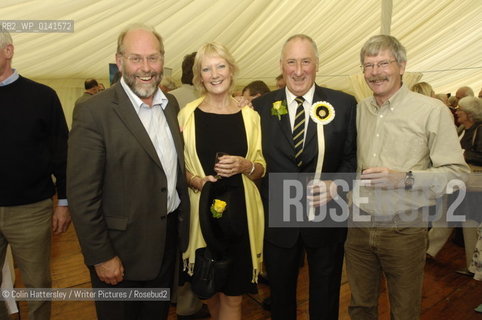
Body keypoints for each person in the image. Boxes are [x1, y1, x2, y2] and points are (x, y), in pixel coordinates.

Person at [67, 23, 189, 320]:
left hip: (165, 243)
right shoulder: (95, 111)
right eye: (136, 58)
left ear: (163, 60)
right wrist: (102, 256)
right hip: (120, 251)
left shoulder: (169, 104)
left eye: (153, 58)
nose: (146, 68)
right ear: (119, 61)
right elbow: (82, 196)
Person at [347, 34, 469, 320]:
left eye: (383, 63)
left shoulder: (431, 110)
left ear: (402, 65)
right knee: (360, 308)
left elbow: (457, 175)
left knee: (404, 311)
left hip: (404, 229)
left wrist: (405, 178)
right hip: (358, 226)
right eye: (368, 65)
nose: (375, 72)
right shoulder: (358, 110)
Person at [252, 34, 357, 320]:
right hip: (279, 215)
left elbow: (352, 159)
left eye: (306, 61)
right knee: (281, 297)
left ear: (317, 64)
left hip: (326, 212)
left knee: (326, 295)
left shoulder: (345, 105)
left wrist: (337, 185)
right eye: (292, 62)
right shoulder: (259, 108)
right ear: (281, 65)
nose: (298, 71)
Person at [178, 42, 265, 320]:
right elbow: (174, 167)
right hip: (203, 216)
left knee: (234, 296)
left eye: (220, 66)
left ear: (232, 70)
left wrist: (245, 165)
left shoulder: (250, 116)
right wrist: (195, 180)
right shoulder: (187, 115)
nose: (214, 74)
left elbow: (261, 168)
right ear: (199, 77)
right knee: (209, 290)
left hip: (240, 216)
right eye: (207, 68)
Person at [0, 28, 71, 320]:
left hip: (31, 211)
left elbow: (62, 155)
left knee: (38, 284)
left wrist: (64, 203)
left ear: (8, 50)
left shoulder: (42, 96)